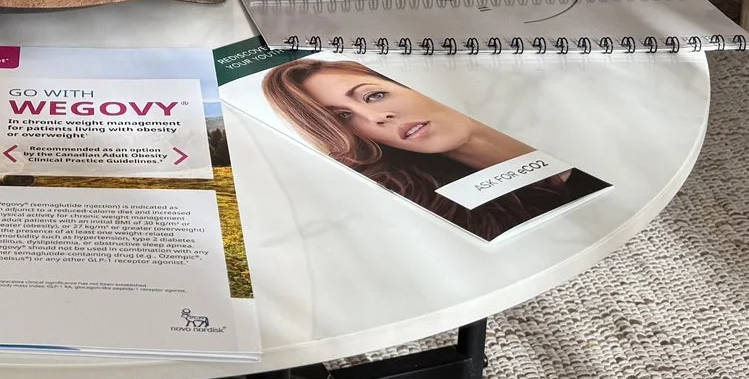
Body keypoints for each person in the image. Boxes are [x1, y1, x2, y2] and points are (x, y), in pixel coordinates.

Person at [259, 57, 606, 241]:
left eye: (374, 95)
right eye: (346, 118)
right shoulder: (429, 200)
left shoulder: (561, 117)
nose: (376, 117)